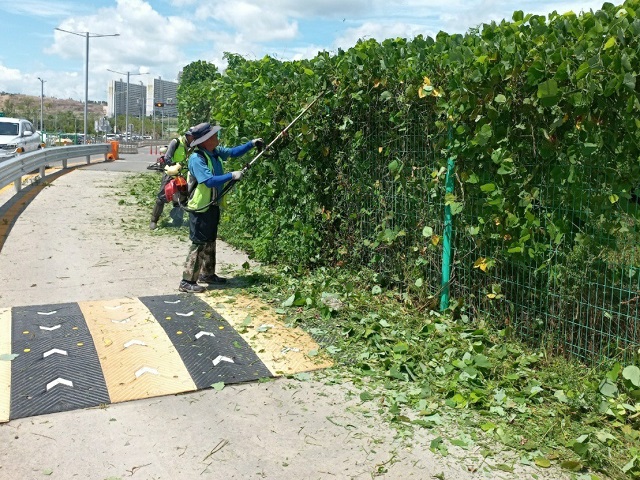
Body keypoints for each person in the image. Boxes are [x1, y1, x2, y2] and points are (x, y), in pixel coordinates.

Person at [179, 122, 264, 293]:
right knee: (199, 243)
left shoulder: (214, 152)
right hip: (200, 207)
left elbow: (233, 152)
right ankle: (187, 281)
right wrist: (231, 175)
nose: (217, 138)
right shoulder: (197, 158)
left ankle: (207, 274)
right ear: (205, 140)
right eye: (214, 136)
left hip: (212, 204)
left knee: (210, 240)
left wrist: (251, 144)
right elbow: (208, 181)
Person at [149, 129, 194, 230]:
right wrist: (174, 166)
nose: (193, 139)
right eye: (192, 137)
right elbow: (167, 157)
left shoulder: (192, 146)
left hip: (182, 174)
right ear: (187, 136)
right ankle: (153, 220)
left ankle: (177, 219)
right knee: (162, 197)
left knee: (181, 198)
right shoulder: (176, 142)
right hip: (171, 173)